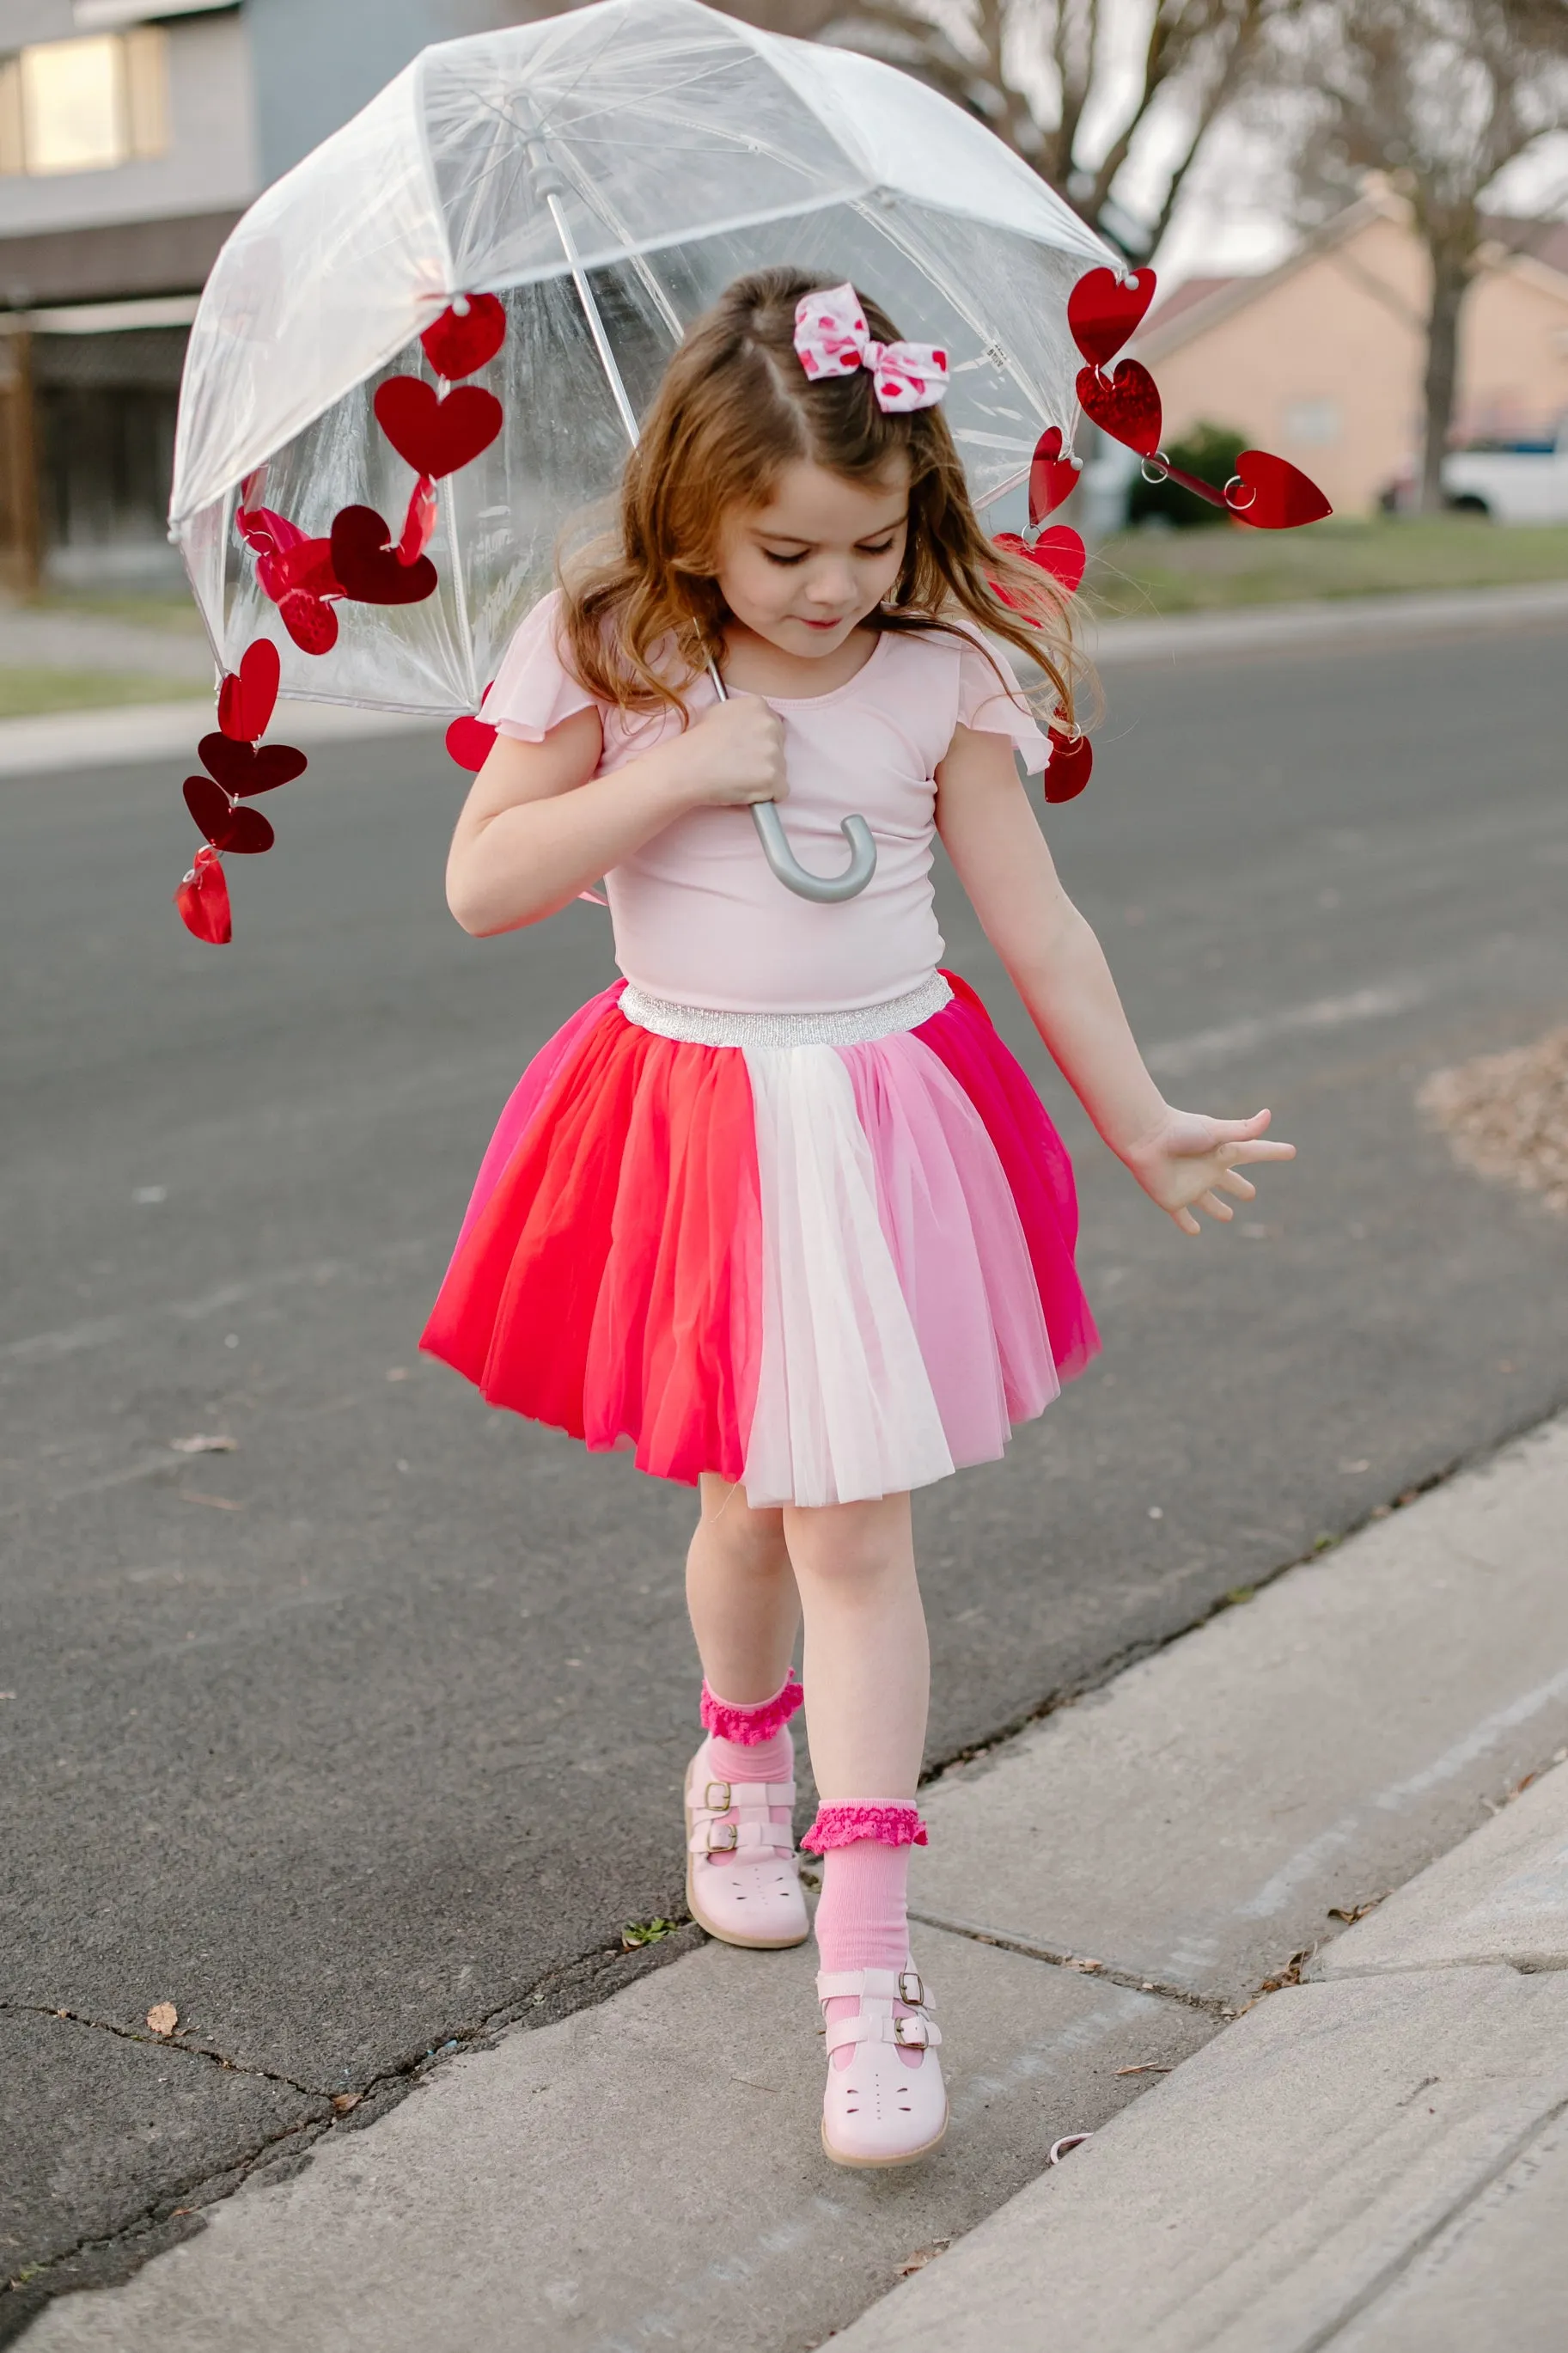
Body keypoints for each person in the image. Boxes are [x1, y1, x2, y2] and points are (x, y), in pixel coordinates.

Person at [423, 268, 1292, 2168]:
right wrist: (666, 777)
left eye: (871, 542)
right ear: (691, 515)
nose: (832, 588)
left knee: (856, 1531)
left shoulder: (939, 670)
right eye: (787, 549)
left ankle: (874, 1959)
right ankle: (738, 1753)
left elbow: (1034, 919)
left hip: (883, 1111)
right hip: (693, 1116)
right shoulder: (609, 649)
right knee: (745, 1507)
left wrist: (1136, 1116)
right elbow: (483, 882)